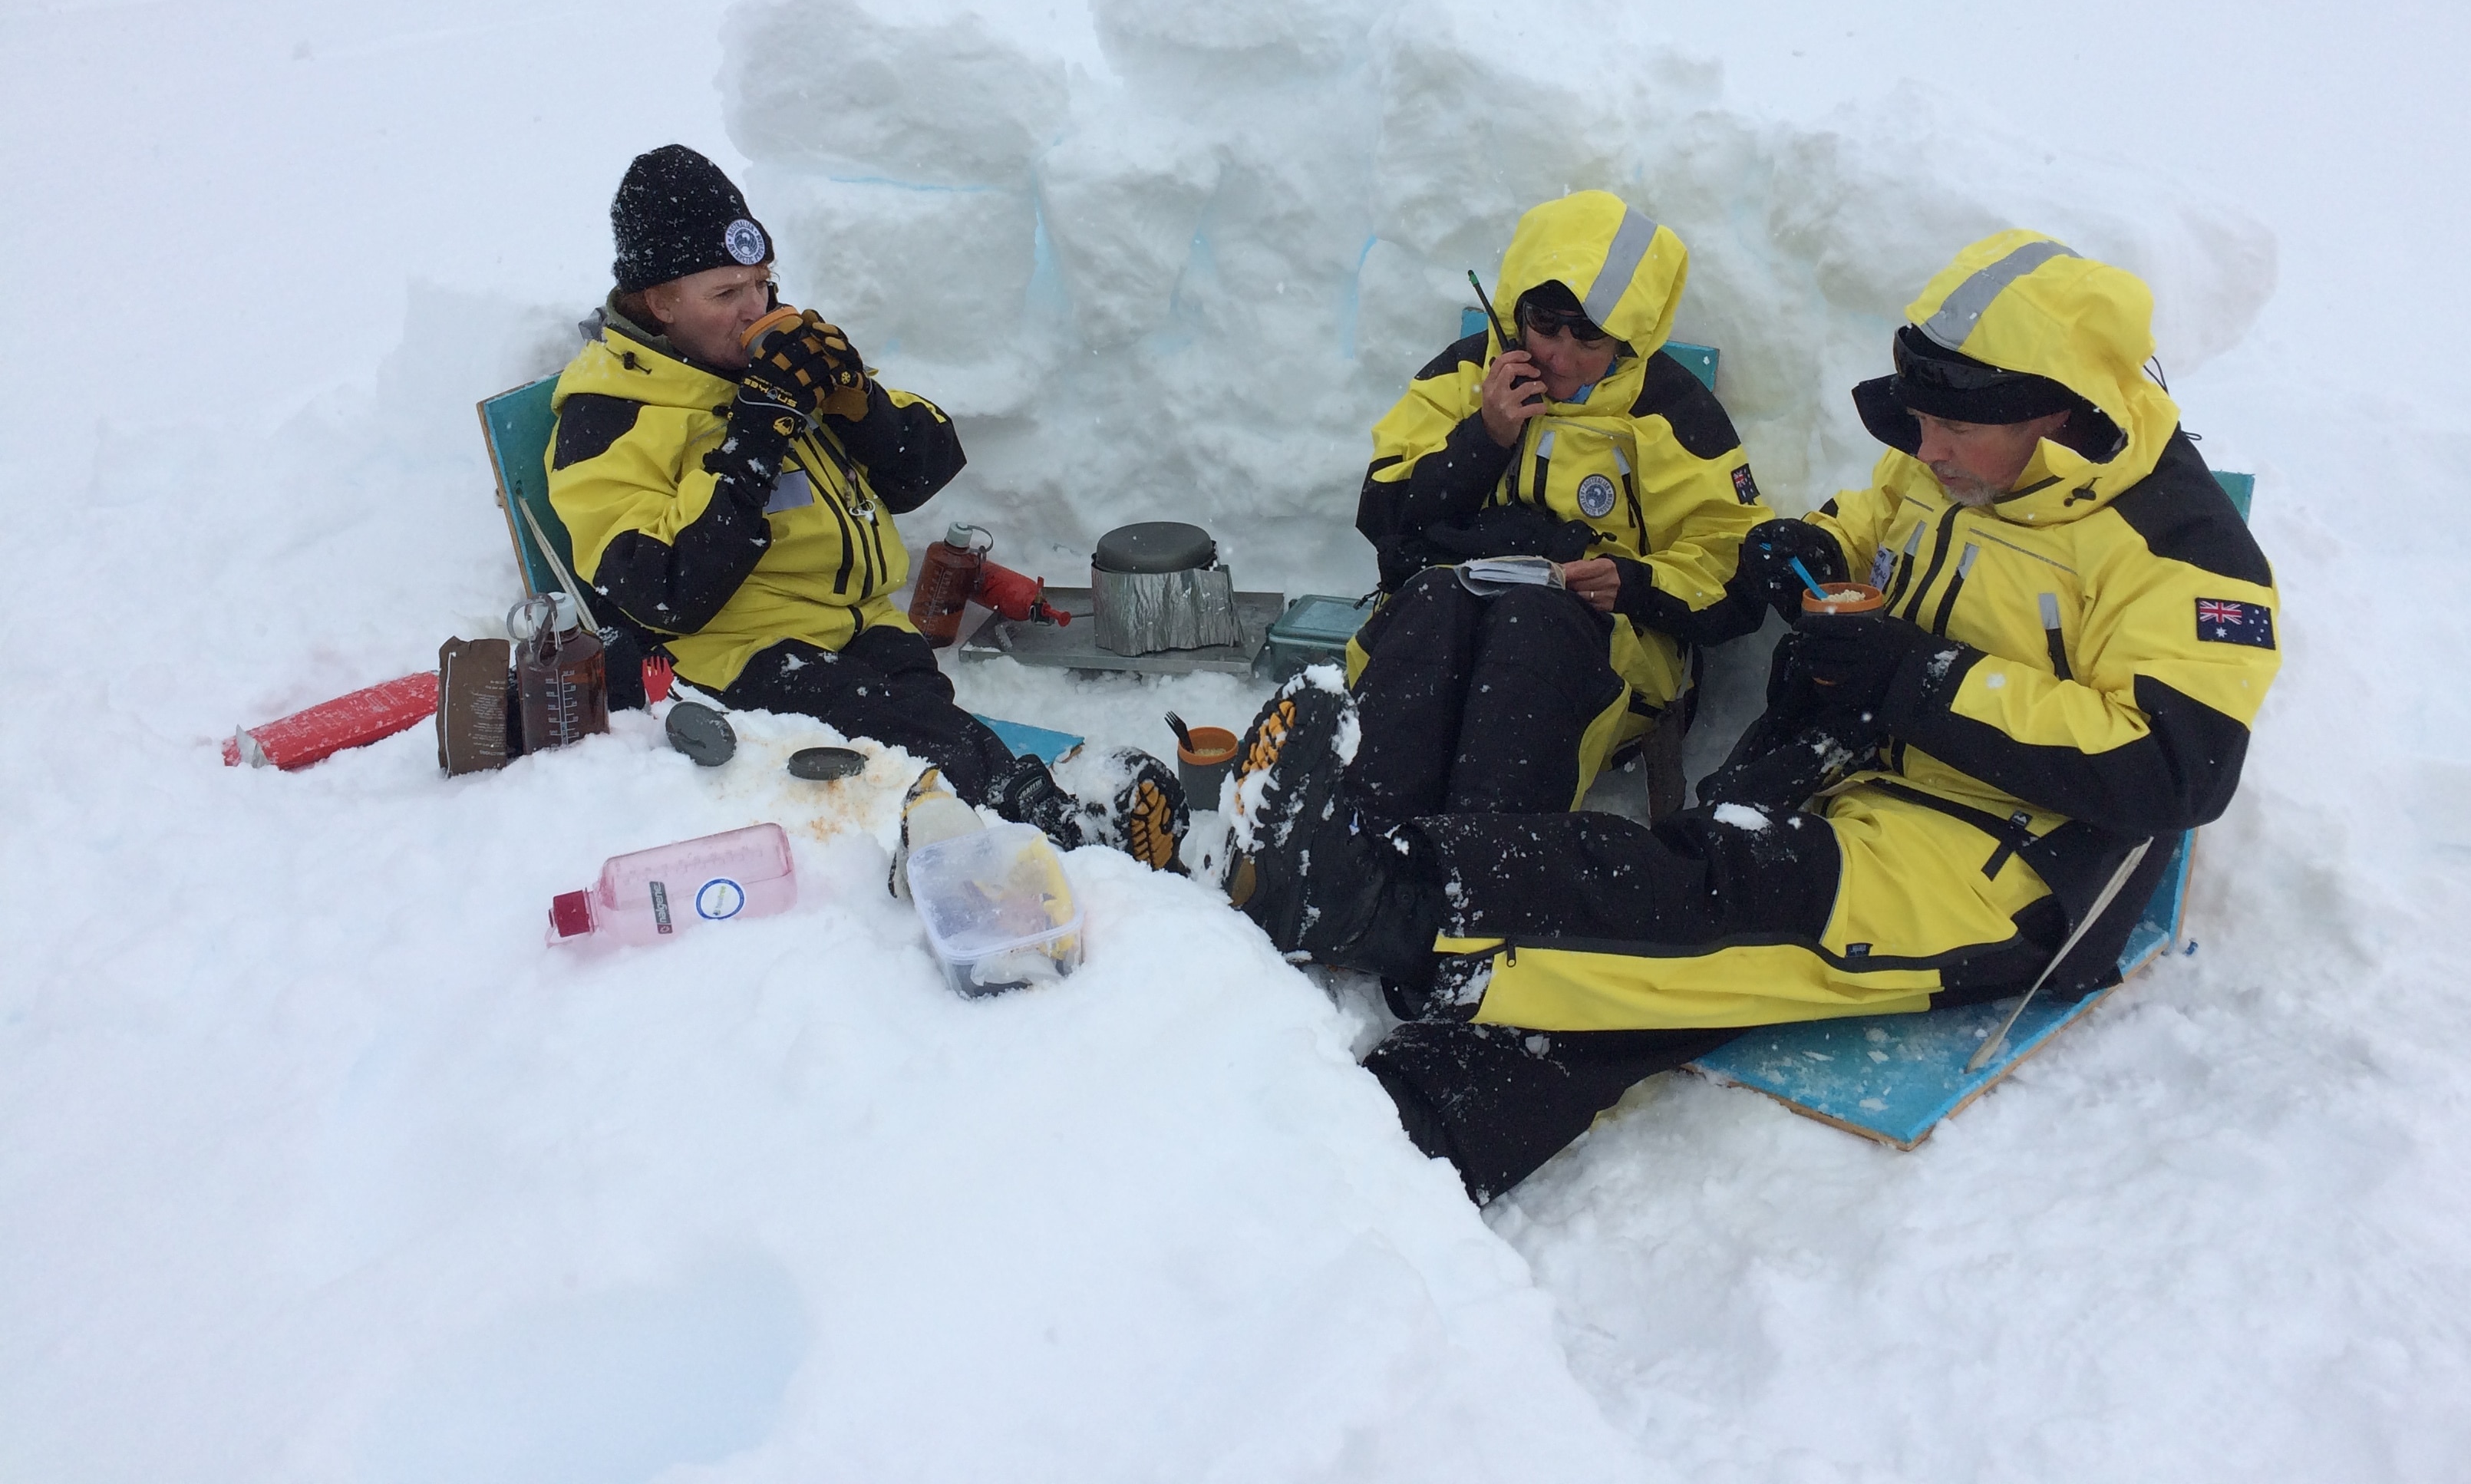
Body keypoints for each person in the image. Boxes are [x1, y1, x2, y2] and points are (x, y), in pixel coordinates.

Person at [1222, 231, 2281, 1202]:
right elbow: (1868, 523)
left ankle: (1384, 900)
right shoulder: (1954, 465)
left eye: (1955, 427)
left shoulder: (2183, 555)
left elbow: (2177, 768)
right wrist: (1813, 546)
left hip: (1999, 870)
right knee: (1676, 933)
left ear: (2057, 409)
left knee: (1714, 901)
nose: (1930, 450)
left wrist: (1918, 676)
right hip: (1844, 769)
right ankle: (1410, 1122)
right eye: (1919, 425)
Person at [546, 144, 1185, 869]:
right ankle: (1063, 831)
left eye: (763, 283)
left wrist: (855, 399)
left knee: (924, 719)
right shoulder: (610, 414)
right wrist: (757, 433)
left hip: (858, 626)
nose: (755, 308)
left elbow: (925, 466)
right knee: (905, 729)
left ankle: (1007, 814)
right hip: (733, 657)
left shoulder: (766, 360)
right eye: (726, 295)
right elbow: (661, 591)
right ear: (658, 303)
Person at [1343, 190, 1765, 824]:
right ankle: (1362, 837)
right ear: (1517, 313)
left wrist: (1636, 582)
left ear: (1628, 336)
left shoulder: (1670, 412)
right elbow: (1385, 516)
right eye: (1544, 327)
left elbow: (1733, 562)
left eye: (1590, 337)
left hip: (1601, 644)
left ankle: (1486, 849)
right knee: (1434, 607)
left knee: (1531, 628)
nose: (1560, 358)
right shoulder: (1465, 376)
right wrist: (1484, 438)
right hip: (1447, 615)